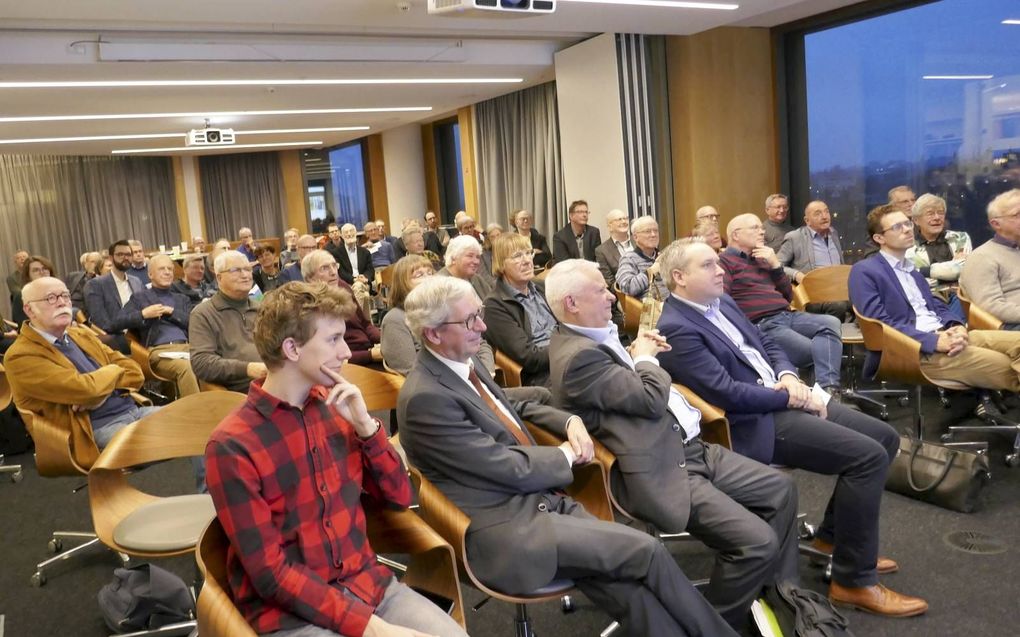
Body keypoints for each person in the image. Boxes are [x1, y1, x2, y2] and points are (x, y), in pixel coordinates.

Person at [398, 275, 738, 636]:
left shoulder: (459, 363)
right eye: (469, 321)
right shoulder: (425, 398)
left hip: (537, 504)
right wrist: (565, 454)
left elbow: (506, 406)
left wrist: (570, 419)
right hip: (508, 531)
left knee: (628, 587)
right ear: (433, 334)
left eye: (479, 314)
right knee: (646, 550)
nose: (482, 326)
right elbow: (506, 467)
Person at [656, 238, 929, 618]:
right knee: (866, 457)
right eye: (708, 266)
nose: (720, 270)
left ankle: (834, 540)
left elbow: (765, 341)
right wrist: (789, 397)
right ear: (679, 277)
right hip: (754, 422)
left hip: (781, 394)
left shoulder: (720, 301)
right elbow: (728, 394)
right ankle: (853, 581)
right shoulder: (677, 327)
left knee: (884, 437)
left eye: (718, 264)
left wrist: (787, 374)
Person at [545, 259, 798, 631]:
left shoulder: (595, 335)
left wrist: (638, 355)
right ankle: (713, 625)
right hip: (662, 468)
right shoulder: (579, 357)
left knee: (782, 489)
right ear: (572, 303)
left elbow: (631, 390)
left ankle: (781, 593)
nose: (611, 297)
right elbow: (648, 399)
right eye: (600, 290)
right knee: (757, 541)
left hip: (690, 448)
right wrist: (646, 358)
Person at [205, 281, 469, 637]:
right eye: (333, 340)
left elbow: (400, 496)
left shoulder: (338, 410)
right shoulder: (233, 444)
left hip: (367, 586)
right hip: (292, 611)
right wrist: (372, 628)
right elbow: (271, 574)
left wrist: (366, 427)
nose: (346, 352)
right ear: (291, 349)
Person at [849, 205, 1020, 395]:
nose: (907, 229)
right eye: (897, 227)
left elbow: (936, 304)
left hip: (944, 335)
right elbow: (879, 324)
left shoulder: (911, 270)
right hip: (913, 350)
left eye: (907, 223)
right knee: (1007, 366)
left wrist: (956, 325)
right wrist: (933, 340)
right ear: (879, 238)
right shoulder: (864, 271)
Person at [6, 277, 157, 461]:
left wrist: (99, 389)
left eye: (65, 296)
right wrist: (113, 371)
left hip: (134, 411)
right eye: (51, 298)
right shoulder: (20, 355)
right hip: (94, 429)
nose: (62, 302)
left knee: (197, 425)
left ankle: (202, 487)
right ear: (29, 310)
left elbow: (135, 372)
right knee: (173, 440)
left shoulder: (81, 334)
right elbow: (86, 389)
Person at [720, 214, 844, 398]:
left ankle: (827, 391)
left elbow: (787, 296)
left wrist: (776, 265)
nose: (762, 231)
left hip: (787, 315)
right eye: (755, 228)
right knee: (817, 351)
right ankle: (826, 395)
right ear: (736, 235)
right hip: (763, 323)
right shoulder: (724, 262)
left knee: (831, 322)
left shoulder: (763, 259)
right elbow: (722, 301)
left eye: (761, 228)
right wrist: (746, 329)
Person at [115, 254, 199, 397]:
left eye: (170, 269)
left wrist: (171, 312)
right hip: (159, 351)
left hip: (187, 347)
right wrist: (143, 314)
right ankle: (197, 414)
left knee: (212, 362)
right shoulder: (140, 298)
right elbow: (116, 323)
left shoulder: (182, 298)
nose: (167, 272)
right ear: (150, 274)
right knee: (186, 367)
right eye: (162, 269)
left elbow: (194, 323)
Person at [482, 233, 558, 387]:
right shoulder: (494, 305)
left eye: (529, 253)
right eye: (517, 256)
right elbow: (528, 357)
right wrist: (568, 347)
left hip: (565, 358)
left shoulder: (541, 287)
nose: (527, 261)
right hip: (540, 376)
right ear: (501, 264)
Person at [189, 250, 265, 392]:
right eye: (235, 270)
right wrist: (247, 369)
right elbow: (201, 363)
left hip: (276, 381)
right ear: (219, 278)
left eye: (248, 269)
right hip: (242, 391)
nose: (245, 275)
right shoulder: (203, 314)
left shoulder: (263, 308)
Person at [302, 249, 383, 368]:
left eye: (334, 266)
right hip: (350, 362)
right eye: (324, 268)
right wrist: (370, 355)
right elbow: (328, 357)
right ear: (310, 278)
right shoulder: (312, 306)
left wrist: (384, 340)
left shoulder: (342, 286)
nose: (333, 272)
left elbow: (365, 324)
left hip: (369, 349)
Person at [776, 200, 852, 320]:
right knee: (838, 306)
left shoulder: (834, 234)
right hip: (813, 293)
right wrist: (796, 274)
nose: (824, 216)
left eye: (826, 212)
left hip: (838, 289)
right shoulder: (795, 237)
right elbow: (776, 266)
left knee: (867, 299)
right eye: (817, 213)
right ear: (807, 220)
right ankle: (831, 337)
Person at [960, 188, 1020, 329]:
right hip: (1008, 326)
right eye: (1017, 214)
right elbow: (991, 307)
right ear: (996, 224)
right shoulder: (982, 257)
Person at [85, 240, 145, 333]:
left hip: (141, 335)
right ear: (111, 258)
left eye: (129, 254)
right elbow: (102, 323)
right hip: (116, 337)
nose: (125, 258)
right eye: (120, 254)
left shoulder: (136, 282)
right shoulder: (96, 285)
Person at [615, 216, 667, 299]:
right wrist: (651, 272)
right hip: (648, 308)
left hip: (672, 304)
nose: (653, 235)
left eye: (656, 231)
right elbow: (627, 287)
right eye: (647, 231)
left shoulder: (663, 256)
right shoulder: (629, 259)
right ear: (635, 237)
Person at [437, 235, 493, 301]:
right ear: (454, 258)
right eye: (470, 256)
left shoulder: (477, 279)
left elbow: (492, 304)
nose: (476, 261)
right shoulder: (438, 285)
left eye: (477, 257)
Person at [11, 255, 59, 326]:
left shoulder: (59, 291)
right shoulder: (21, 296)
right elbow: (24, 325)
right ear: (28, 276)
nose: (42, 272)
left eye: (45, 268)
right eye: (36, 270)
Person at [594, 209, 633, 288]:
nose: (624, 222)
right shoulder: (602, 251)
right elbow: (609, 282)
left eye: (625, 218)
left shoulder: (638, 241)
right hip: (623, 294)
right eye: (619, 219)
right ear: (610, 226)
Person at [330, 223, 375, 292]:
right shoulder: (336, 253)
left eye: (351, 231)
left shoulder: (365, 252)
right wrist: (354, 279)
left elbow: (370, 270)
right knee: (364, 294)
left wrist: (365, 277)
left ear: (356, 233)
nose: (349, 234)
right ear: (341, 236)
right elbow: (340, 271)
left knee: (359, 287)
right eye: (346, 232)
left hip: (364, 282)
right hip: (347, 284)